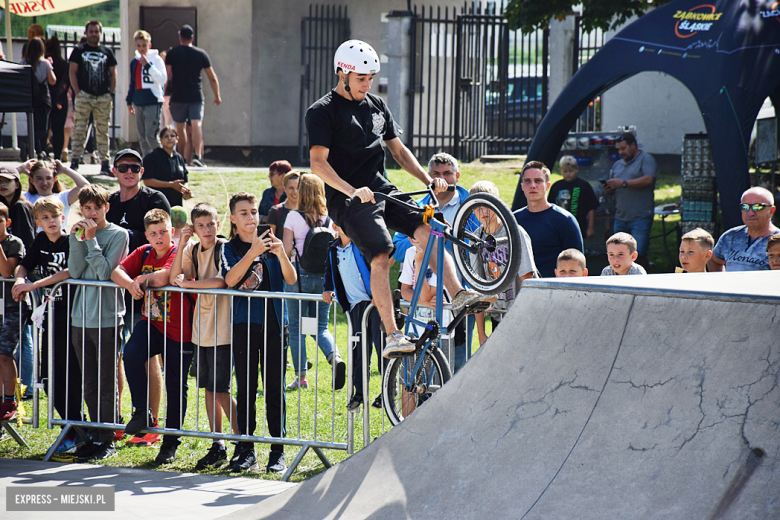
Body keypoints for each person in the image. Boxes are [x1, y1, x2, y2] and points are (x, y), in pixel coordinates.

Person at [305, 39, 486, 356]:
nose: (367, 84)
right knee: (381, 253)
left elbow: (398, 151)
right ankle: (392, 335)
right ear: (342, 74)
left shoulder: (376, 106)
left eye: (371, 78)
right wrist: (351, 190)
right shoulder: (322, 112)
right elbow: (318, 163)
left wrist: (429, 179)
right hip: (347, 198)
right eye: (361, 78)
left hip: (379, 187)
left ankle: (458, 294)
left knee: (430, 229)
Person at [221, 192, 295, 474]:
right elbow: (230, 279)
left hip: (275, 323)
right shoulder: (229, 248)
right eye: (244, 213)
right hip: (244, 324)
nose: (250, 217)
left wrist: (281, 254)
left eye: (253, 212)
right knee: (247, 388)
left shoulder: (272, 243)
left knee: (274, 388)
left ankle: (277, 451)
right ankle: (246, 448)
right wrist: (252, 253)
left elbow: (290, 279)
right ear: (233, 219)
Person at [113, 209, 194, 464]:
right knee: (132, 354)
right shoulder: (144, 252)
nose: (159, 237)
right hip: (153, 323)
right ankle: (142, 412)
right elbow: (115, 271)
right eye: (153, 233)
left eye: (163, 232)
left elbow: (166, 277)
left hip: (180, 330)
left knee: (175, 385)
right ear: (146, 235)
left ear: (172, 232)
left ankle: (170, 443)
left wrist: (141, 278)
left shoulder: (177, 252)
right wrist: (130, 284)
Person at [170, 202, 238, 470]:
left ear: (218, 224)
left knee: (221, 388)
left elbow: (222, 281)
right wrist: (182, 241)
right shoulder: (192, 248)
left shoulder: (224, 247)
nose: (207, 229)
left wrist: (189, 285)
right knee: (208, 388)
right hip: (202, 328)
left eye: (211, 224)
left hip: (223, 326)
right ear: (194, 228)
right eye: (201, 225)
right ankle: (217, 443)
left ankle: (243, 441)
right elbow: (176, 276)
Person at [12, 198, 83, 453]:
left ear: (62, 217)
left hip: (72, 316)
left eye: (54, 216)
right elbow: (25, 264)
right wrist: (19, 279)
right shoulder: (40, 241)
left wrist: (33, 285)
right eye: (44, 218)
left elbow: (68, 272)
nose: (50, 221)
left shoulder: (71, 240)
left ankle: (78, 429)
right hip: (49, 317)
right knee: (50, 375)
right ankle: (70, 427)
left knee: (70, 375)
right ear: (38, 223)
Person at [68, 184, 129, 461]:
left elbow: (106, 273)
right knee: (88, 381)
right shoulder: (80, 232)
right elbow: (77, 270)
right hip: (80, 317)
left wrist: (91, 240)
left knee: (107, 381)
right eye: (87, 208)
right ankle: (95, 433)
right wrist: (76, 239)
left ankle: (107, 437)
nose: (92, 213)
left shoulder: (118, 234)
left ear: (107, 207)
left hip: (107, 317)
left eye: (97, 207)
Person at [283, 173, 344, 391]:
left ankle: (301, 378)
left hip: (299, 277)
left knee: (297, 328)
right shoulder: (329, 219)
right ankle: (334, 357)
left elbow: (287, 248)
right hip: (324, 278)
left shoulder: (292, 217)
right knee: (320, 326)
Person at [323, 223, 385, 412]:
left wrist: (378, 292)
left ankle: (387, 389)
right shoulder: (333, 249)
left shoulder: (362, 244)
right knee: (358, 351)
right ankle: (359, 393)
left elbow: (377, 265)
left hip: (373, 303)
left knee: (381, 347)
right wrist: (328, 287)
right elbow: (329, 270)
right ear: (335, 225)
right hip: (354, 306)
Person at [469, 181, 537, 345]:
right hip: (496, 315)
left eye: (488, 204)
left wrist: (522, 315)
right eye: (477, 206)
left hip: (520, 315)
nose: (483, 211)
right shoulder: (476, 239)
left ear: (498, 204)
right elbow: (479, 288)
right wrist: (481, 332)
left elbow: (528, 277)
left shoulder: (515, 233)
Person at [513, 161, 583, 278]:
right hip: (520, 289)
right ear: (522, 186)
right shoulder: (513, 220)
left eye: (538, 181)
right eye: (527, 181)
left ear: (547, 185)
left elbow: (578, 264)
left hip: (555, 289)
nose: (533, 185)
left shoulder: (565, 220)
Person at [165, 24, 221, 167]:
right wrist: (217, 95)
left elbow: (167, 76)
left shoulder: (172, 53)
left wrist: (164, 93)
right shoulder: (201, 54)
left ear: (180, 37)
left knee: (180, 127)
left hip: (178, 96)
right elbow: (212, 77)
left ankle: (182, 159)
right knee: (196, 124)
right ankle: (198, 156)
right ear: (192, 38)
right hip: (195, 94)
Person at [68, 20, 117, 175]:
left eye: (97, 31)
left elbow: (113, 73)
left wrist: (111, 93)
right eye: (91, 31)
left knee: (103, 131)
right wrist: (78, 92)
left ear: (100, 33)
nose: (94, 34)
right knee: (80, 129)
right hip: (84, 96)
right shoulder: (79, 50)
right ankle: (75, 160)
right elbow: (72, 72)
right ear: (86, 33)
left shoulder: (107, 52)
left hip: (103, 97)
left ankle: (105, 163)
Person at [603, 132, 657, 271]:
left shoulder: (646, 159)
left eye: (623, 148)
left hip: (640, 216)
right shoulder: (617, 165)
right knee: (617, 255)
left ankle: (642, 282)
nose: (620, 152)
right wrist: (609, 188)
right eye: (618, 149)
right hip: (620, 217)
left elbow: (648, 179)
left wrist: (624, 183)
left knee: (638, 254)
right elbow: (615, 188)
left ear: (633, 145)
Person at [106, 149, 172, 253]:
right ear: (115, 171)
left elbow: (162, 238)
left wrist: (119, 235)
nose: (129, 171)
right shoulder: (108, 202)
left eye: (134, 168)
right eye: (123, 168)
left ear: (141, 172)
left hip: (146, 262)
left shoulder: (155, 200)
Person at [709, 187, 779, 272]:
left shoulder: (778, 240)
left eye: (757, 207)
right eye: (745, 207)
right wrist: (721, 281)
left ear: (771, 210)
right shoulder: (730, 236)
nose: (750, 213)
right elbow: (714, 260)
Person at [0, 202, 26, 422]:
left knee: (5, 355)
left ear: (7, 222)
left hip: (10, 307)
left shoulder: (13, 243)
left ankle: (10, 400)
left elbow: (7, 271)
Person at [126, 30, 167, 157]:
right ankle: (148, 163)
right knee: (142, 137)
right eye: (139, 46)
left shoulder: (156, 59)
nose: (141, 49)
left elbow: (162, 79)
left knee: (151, 135)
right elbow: (133, 82)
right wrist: (129, 100)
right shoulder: (134, 62)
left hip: (153, 101)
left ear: (149, 45)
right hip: (139, 101)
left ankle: (163, 159)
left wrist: (148, 65)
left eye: (144, 45)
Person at [18, 159, 90, 231]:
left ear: (54, 179)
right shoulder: (25, 197)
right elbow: (7, 184)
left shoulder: (64, 197)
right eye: (39, 178)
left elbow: (85, 186)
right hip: (35, 241)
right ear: (32, 180)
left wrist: (65, 169)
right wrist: (20, 169)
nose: (44, 182)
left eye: (48, 178)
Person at [22, 37, 56, 159]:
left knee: (32, 124)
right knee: (43, 126)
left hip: (30, 98)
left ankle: (34, 148)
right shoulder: (45, 63)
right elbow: (53, 81)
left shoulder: (24, 62)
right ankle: (32, 146)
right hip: (43, 99)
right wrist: (50, 65)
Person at [548, 156, 599, 239]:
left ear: (576, 169)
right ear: (560, 171)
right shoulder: (556, 186)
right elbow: (549, 207)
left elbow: (591, 208)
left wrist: (590, 227)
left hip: (579, 226)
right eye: (565, 171)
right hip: (558, 227)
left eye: (571, 171)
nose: (568, 174)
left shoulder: (584, 186)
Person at [142, 126, 191, 208]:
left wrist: (186, 191)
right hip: (157, 203)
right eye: (166, 136)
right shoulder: (153, 157)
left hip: (176, 206)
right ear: (160, 139)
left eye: (172, 136)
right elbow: (147, 181)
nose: (169, 138)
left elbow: (185, 180)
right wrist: (170, 184)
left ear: (177, 139)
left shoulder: (179, 158)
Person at [45, 36, 71, 162]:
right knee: (58, 129)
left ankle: (43, 153)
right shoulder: (64, 64)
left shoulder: (46, 63)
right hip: (60, 99)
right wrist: (59, 98)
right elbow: (66, 83)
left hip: (46, 97)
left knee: (45, 126)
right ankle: (57, 157)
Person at [0, 168, 35, 250]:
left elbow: (27, 242)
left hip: (19, 258)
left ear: (17, 185)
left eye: (7, 180)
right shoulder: (3, 207)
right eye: (0, 181)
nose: (3, 184)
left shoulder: (20, 206)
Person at [267, 170, 299, 243]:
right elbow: (270, 240)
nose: (295, 192)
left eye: (298, 188)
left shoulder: (307, 210)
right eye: (291, 188)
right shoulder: (275, 211)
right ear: (284, 188)